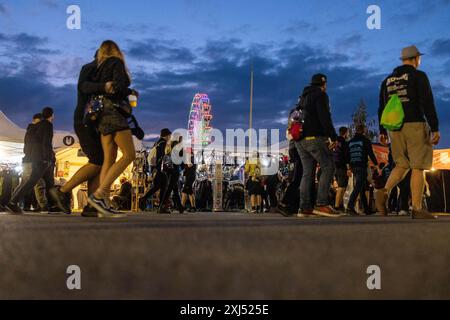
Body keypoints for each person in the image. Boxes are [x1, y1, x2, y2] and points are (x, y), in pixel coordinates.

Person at [378, 45, 440, 219]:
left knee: (402, 164)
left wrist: (382, 130)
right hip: (415, 124)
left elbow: (382, 107)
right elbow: (427, 102)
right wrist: (434, 127)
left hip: (394, 128)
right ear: (415, 59)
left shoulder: (387, 80)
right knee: (418, 166)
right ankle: (417, 208)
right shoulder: (418, 76)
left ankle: (384, 192)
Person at [50, 51, 112, 217]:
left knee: (98, 161)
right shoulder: (90, 69)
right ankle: (62, 191)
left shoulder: (99, 72)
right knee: (98, 160)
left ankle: (91, 204)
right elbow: (84, 87)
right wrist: (104, 86)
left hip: (94, 122)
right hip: (86, 121)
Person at [86, 40, 137, 216]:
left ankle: (104, 202)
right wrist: (130, 92)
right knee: (130, 154)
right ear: (116, 51)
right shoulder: (116, 63)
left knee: (110, 157)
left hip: (100, 115)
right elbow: (119, 87)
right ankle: (100, 194)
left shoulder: (98, 69)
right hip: (114, 112)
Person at [295, 74, 340, 218]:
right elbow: (325, 117)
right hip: (314, 137)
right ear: (324, 84)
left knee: (307, 172)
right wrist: (333, 136)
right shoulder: (320, 95)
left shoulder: (302, 98)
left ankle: (304, 207)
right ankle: (322, 204)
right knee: (328, 166)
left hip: (300, 140)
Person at [5, 108, 56, 214]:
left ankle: (13, 203)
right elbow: (44, 143)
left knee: (27, 182)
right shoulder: (42, 127)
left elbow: (28, 147)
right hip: (35, 159)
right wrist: (45, 157)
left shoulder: (31, 130)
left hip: (29, 159)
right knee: (34, 183)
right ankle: (43, 205)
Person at [346, 124, 378, 215]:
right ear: (363, 130)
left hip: (354, 167)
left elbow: (347, 155)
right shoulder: (365, 140)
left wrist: (349, 168)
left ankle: (366, 209)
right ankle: (350, 206)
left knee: (361, 188)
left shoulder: (350, 142)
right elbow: (370, 153)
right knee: (359, 187)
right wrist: (376, 164)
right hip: (361, 166)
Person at [139, 128, 171, 213]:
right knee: (164, 185)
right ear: (167, 135)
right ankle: (161, 206)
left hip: (155, 167)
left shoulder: (158, 142)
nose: (170, 137)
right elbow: (160, 156)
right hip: (159, 168)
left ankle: (144, 199)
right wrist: (161, 167)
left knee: (158, 186)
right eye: (169, 135)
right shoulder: (163, 143)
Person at [159, 136, 183, 214]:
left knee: (174, 189)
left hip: (169, 169)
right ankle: (162, 206)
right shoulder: (177, 146)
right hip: (174, 169)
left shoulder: (169, 146)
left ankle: (180, 207)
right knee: (170, 188)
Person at [333, 126, 350, 212]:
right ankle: (337, 206)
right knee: (341, 186)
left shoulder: (335, 141)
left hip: (335, 166)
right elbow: (346, 156)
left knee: (342, 186)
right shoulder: (344, 142)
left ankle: (339, 205)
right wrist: (348, 169)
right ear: (345, 133)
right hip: (341, 166)